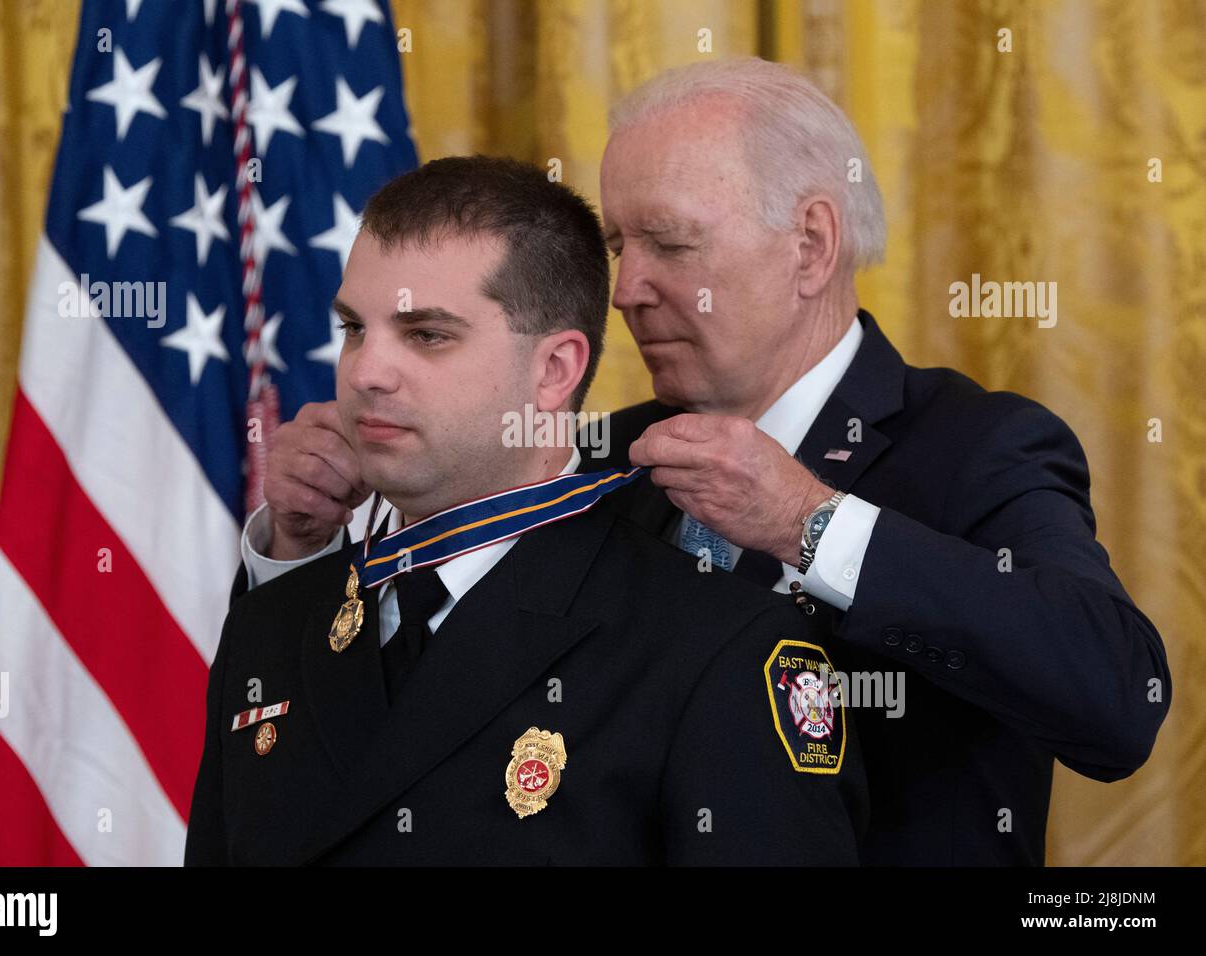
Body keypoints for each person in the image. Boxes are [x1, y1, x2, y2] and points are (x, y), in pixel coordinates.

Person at [241, 59, 1171, 866]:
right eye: (616, 247)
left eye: (671, 244)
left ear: (810, 245)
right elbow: (416, 729)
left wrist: (810, 524)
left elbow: (1118, 701)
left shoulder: (974, 448)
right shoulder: (599, 453)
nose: (628, 290)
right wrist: (302, 550)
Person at [186, 155, 868, 866]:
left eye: (427, 334)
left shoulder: (714, 650)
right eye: (355, 329)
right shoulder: (273, 622)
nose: (366, 372)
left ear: (554, 371)